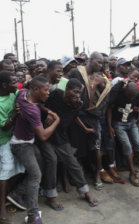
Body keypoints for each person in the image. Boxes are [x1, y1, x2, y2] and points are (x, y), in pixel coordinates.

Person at [40, 78, 98, 210]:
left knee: (73, 163)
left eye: (80, 93)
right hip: (46, 135)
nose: (78, 95)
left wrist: (84, 128)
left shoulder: (77, 104)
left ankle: (85, 191)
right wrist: (49, 112)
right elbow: (38, 104)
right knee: (52, 161)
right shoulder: (56, 95)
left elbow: (75, 116)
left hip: (61, 136)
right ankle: (51, 197)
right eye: (75, 92)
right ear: (67, 90)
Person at [10, 76, 60, 224]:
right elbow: (43, 136)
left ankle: (16, 193)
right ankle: (32, 216)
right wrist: (56, 119)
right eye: (46, 90)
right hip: (20, 145)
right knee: (35, 175)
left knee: (42, 163)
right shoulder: (32, 110)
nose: (48, 93)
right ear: (36, 89)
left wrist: (48, 110)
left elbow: (35, 103)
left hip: (27, 142)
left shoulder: (23, 93)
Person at [68, 51, 113, 190]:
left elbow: (104, 98)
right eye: (99, 62)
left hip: (92, 116)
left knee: (96, 147)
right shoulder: (76, 72)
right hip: (76, 114)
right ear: (90, 60)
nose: (101, 65)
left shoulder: (100, 77)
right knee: (76, 146)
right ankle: (77, 175)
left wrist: (101, 84)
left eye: (103, 63)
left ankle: (97, 174)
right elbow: (68, 89)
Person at [107, 81, 139, 187]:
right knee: (127, 145)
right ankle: (132, 173)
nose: (131, 98)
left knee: (138, 144)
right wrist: (110, 126)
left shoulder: (137, 95)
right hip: (119, 123)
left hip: (131, 122)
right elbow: (109, 109)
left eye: (132, 96)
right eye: (129, 95)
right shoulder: (119, 94)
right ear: (126, 91)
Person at [0, 71, 24, 224]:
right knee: (7, 169)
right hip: (3, 140)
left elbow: (24, 91)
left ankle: (8, 194)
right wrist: (15, 114)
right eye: (13, 83)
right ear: (4, 85)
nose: (16, 85)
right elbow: (4, 127)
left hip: (13, 138)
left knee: (21, 168)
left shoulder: (13, 93)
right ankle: (1, 205)